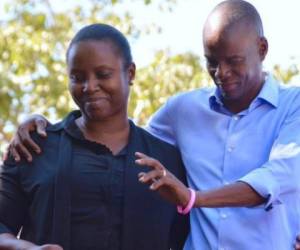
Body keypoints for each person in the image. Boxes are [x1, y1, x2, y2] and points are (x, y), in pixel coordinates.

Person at [4, 0, 300, 249]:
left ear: (262, 49)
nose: (221, 73)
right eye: (212, 61)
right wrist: (39, 123)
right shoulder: (182, 111)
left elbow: (280, 176)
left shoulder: (293, 106)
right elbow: (121, 132)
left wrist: (193, 198)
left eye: (233, 60)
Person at [0, 23, 189, 250]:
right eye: (77, 77)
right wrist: (27, 248)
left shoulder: (166, 160)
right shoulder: (34, 147)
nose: (89, 87)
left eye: (103, 74)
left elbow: (188, 236)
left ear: (130, 73)